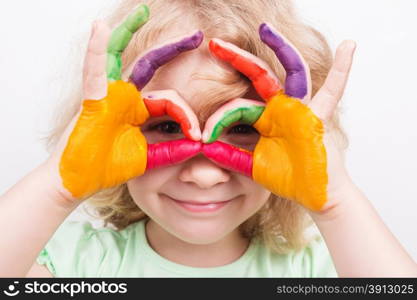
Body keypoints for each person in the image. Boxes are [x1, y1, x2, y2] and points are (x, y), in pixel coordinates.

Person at [1, 0, 416, 278]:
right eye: (165, 125)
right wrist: (56, 187)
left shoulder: (323, 270)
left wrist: (337, 205)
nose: (203, 175)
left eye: (243, 128)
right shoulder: (74, 265)